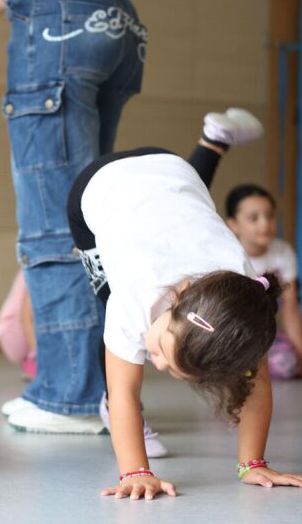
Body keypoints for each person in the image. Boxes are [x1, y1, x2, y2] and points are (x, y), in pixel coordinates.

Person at [0, 0, 146, 434]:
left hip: (57, 28)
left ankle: (71, 395)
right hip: (116, 23)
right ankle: (106, 393)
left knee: (54, 223)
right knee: (91, 222)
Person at [67, 110, 302, 499]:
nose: (153, 361)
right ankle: (213, 142)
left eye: (162, 362)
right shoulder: (134, 298)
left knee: (183, 205)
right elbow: (125, 390)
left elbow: (255, 384)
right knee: (107, 315)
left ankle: (213, 142)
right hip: (97, 184)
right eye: (159, 350)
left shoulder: (243, 307)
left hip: (173, 171)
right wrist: (136, 471)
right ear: (177, 297)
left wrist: (253, 463)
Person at [226, 184, 302, 379]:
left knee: (287, 364)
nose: (264, 224)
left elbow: (290, 308)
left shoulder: (282, 252)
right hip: (232, 334)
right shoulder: (227, 256)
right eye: (254, 218)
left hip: (267, 336)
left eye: (269, 216)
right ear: (233, 224)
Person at [0, 271, 37, 379]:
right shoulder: (36, 266)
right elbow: (26, 317)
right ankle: (35, 359)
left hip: (26, 325)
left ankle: (34, 358)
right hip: (12, 330)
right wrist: (37, 356)